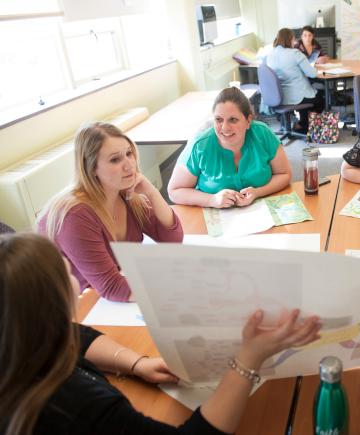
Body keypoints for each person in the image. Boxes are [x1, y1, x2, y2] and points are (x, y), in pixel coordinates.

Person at [0, 232, 321, 435]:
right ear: (51, 302)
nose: (75, 279)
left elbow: (74, 334)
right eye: (67, 272)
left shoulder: (16, 340)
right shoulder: (79, 406)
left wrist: (135, 362)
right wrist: (249, 358)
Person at [39, 122, 183, 302]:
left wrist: (151, 191)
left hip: (101, 296)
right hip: (68, 306)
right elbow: (112, 287)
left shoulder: (124, 192)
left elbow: (172, 238)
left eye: (129, 153)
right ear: (92, 168)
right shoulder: (75, 216)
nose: (129, 166)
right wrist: (178, 285)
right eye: (115, 159)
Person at [168, 87, 292, 208]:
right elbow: (175, 191)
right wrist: (211, 200)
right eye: (218, 119)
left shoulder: (263, 134)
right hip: (216, 218)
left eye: (233, 120)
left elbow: (284, 174)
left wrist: (258, 192)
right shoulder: (200, 146)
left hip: (262, 212)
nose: (225, 128)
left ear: (248, 121)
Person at [266, 28, 324, 133]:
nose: (294, 42)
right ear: (290, 39)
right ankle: (304, 126)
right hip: (297, 96)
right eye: (293, 39)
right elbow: (312, 73)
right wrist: (314, 68)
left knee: (306, 97)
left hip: (279, 97)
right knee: (321, 97)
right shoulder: (295, 53)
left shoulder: (270, 55)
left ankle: (302, 124)